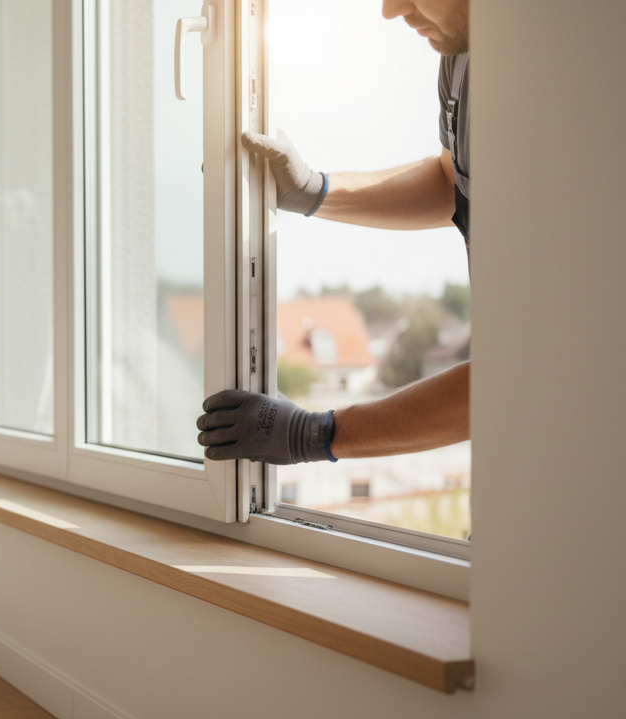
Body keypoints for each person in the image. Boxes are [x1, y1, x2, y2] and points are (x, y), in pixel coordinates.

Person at [196, 0, 471, 465]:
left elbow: (521, 373)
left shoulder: (566, 93)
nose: (390, 10)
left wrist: (314, 434)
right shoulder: (461, 53)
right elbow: (453, 182)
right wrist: (313, 189)